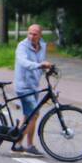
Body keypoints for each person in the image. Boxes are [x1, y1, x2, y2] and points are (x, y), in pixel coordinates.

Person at [13, 23, 53, 156]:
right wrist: (40, 65)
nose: (31, 36)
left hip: (34, 86)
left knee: (29, 116)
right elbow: (23, 62)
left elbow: (41, 62)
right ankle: (19, 143)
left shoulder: (42, 46)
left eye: (35, 34)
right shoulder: (22, 46)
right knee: (34, 114)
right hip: (23, 86)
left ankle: (26, 145)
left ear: (40, 35)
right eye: (29, 33)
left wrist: (47, 70)